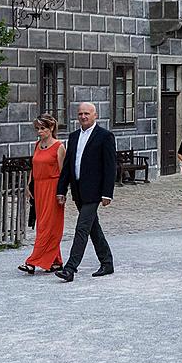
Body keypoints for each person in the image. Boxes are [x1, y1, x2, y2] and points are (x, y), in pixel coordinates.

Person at [54, 103, 115, 283]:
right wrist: (61, 190)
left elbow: (110, 167)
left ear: (95, 115)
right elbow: (67, 167)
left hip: (94, 191)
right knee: (92, 228)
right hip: (78, 190)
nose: (83, 116)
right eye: (80, 114)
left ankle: (70, 268)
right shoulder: (73, 137)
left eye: (87, 113)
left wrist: (107, 193)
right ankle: (107, 262)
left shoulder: (105, 136)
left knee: (82, 227)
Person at [18, 114, 66, 275]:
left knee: (47, 226)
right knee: (43, 225)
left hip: (52, 187)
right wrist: (29, 185)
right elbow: (34, 166)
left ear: (51, 128)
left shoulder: (59, 146)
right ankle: (56, 261)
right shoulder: (37, 145)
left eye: (43, 128)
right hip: (39, 187)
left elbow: (63, 172)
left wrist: (62, 192)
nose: (39, 131)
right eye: (38, 128)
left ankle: (32, 261)